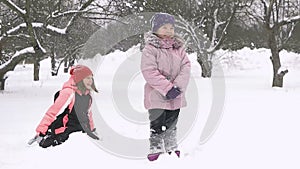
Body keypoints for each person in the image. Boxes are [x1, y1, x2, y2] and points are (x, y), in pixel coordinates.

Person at [141, 13, 191, 161]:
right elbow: (149, 71)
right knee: (157, 122)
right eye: (164, 27)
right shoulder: (150, 49)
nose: (169, 31)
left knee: (172, 122)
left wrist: (177, 87)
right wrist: (167, 88)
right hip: (156, 94)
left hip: (176, 94)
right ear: (156, 29)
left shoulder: (179, 49)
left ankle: (170, 145)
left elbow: (186, 67)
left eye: (171, 28)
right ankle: (155, 146)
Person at [28, 65, 100, 148]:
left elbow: (88, 114)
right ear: (79, 79)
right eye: (87, 78)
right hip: (65, 131)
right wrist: (41, 132)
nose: (90, 81)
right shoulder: (69, 93)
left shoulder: (88, 95)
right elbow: (53, 113)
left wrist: (92, 130)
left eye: (91, 78)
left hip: (81, 130)